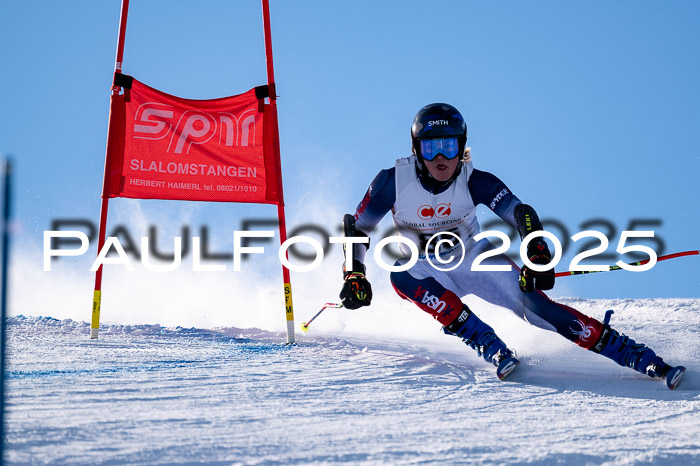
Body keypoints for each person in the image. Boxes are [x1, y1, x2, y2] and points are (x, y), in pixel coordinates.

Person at [338, 102, 685, 389]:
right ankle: (490, 344)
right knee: (399, 273)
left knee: (537, 309)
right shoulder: (392, 182)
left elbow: (520, 213)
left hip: (470, 256)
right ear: (416, 150)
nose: (441, 157)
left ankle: (636, 356)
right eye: (430, 147)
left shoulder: (475, 181)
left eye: (450, 145)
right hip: (421, 265)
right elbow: (359, 227)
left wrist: (537, 252)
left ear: (462, 146)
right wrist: (354, 274)